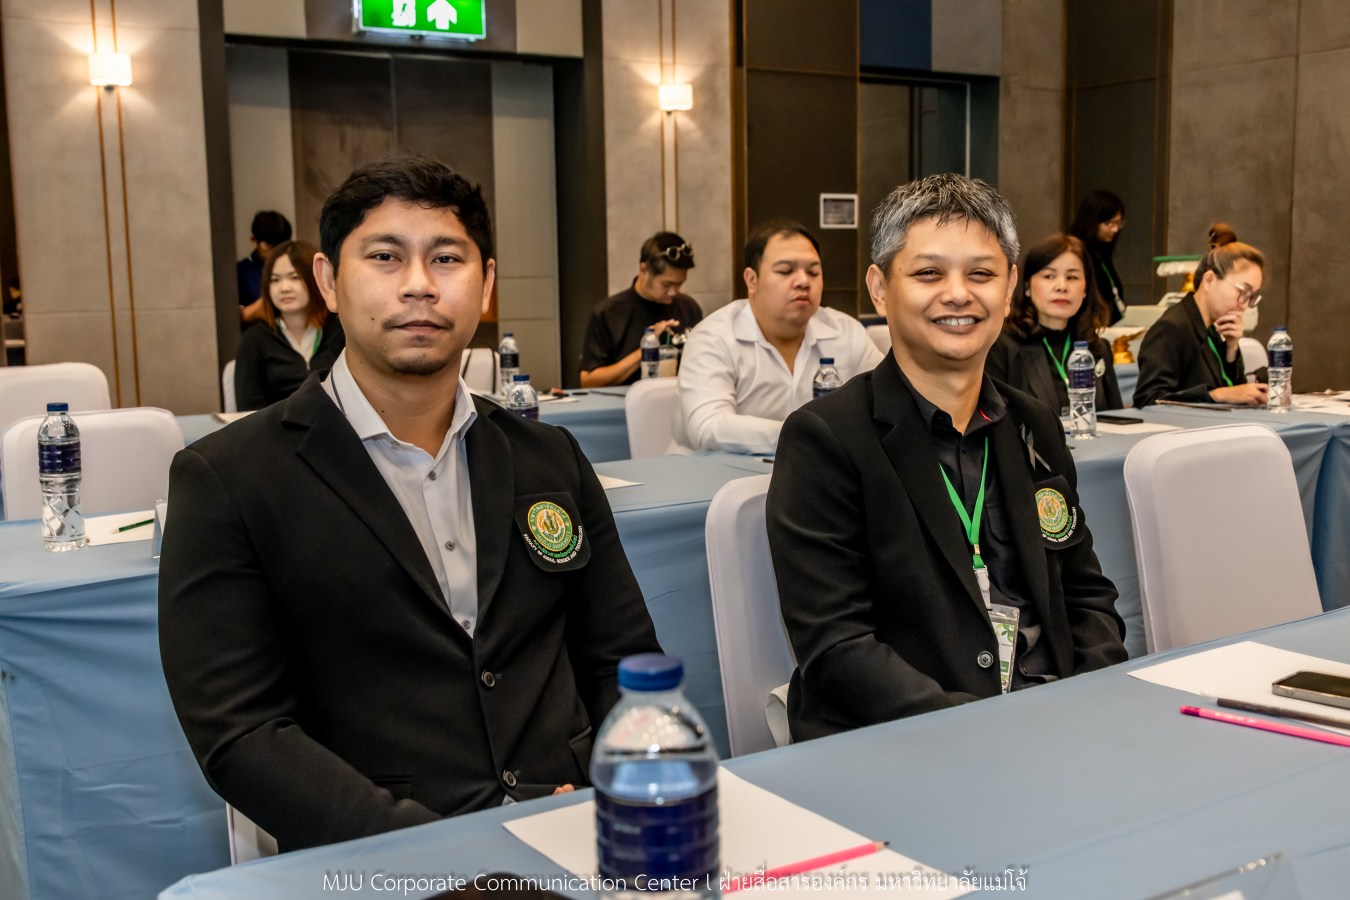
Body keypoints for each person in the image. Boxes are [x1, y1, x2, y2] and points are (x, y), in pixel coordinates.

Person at [159, 155, 661, 851]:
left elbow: (625, 661)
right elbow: (241, 733)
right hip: (378, 859)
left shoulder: (549, 459)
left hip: (573, 832)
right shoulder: (229, 480)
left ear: (485, 286)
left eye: (447, 259)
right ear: (329, 282)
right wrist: (436, 855)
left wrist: (623, 786)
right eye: (386, 257)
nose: (420, 286)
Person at [766, 174, 1127, 742]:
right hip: (906, 741)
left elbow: (1087, 595)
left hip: (1054, 725)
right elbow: (837, 648)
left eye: (981, 274)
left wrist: (1086, 698)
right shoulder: (826, 438)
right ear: (880, 289)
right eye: (929, 273)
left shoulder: (1033, 424)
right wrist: (988, 729)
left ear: (1009, 289)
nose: (958, 294)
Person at [672, 219, 884, 454]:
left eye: (813, 272)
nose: (803, 281)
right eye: (785, 271)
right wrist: (808, 435)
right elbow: (707, 427)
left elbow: (887, 404)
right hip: (715, 481)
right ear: (752, 280)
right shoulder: (714, 337)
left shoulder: (846, 332)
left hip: (818, 478)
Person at [1133, 224, 1268, 408]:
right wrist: (1215, 394)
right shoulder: (1172, 328)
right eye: (1243, 291)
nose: (1244, 304)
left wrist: (1231, 349)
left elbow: (1235, 394)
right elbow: (1148, 400)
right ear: (1209, 280)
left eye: (1251, 297)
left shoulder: (1211, 328)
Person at [986, 233, 1123, 414]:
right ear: (1027, 286)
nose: (1062, 286)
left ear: (1085, 289)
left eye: (1072, 277)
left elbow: (1117, 418)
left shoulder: (1098, 348)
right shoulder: (1002, 346)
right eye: (1049, 276)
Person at [578, 232, 703, 386]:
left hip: (677, 403)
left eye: (679, 284)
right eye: (666, 284)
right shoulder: (610, 313)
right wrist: (646, 350)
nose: (674, 292)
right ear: (644, 269)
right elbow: (589, 381)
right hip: (624, 406)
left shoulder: (689, 307)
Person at [233, 240, 345, 410]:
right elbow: (249, 410)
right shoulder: (254, 339)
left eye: (295, 277)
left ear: (317, 280)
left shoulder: (340, 330)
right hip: (278, 432)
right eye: (275, 280)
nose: (284, 288)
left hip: (337, 429)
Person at [1068, 190, 1126, 324]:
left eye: (1118, 223)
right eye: (1109, 224)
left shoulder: (1102, 251)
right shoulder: (1075, 252)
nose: (1115, 229)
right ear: (1092, 222)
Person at [238, 210, 293, 324]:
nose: (274, 251)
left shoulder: (296, 266)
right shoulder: (241, 271)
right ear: (254, 240)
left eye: (279, 245)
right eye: (268, 245)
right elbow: (235, 318)